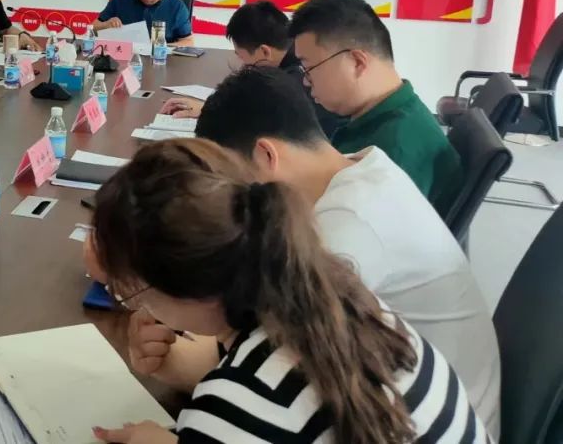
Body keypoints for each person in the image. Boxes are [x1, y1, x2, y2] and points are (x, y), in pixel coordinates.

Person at [89, 138, 491, 444]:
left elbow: (257, 415)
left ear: (189, 289)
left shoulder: (235, 405)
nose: (141, 307)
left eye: (134, 292)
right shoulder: (346, 301)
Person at [193, 66, 500, 436]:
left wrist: (189, 359)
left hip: (425, 425)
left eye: (233, 180)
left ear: (266, 154)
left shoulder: (349, 228)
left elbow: (273, 357)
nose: (235, 198)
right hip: (417, 401)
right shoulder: (360, 166)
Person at [288, 0, 461, 210]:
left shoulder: (393, 152)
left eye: (309, 68)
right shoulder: (380, 117)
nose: (305, 81)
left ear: (357, 63)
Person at [161, 0, 345, 135]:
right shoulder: (297, 56)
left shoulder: (293, 81)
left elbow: (260, 120)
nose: (244, 64)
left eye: (242, 56)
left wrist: (209, 112)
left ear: (264, 51)